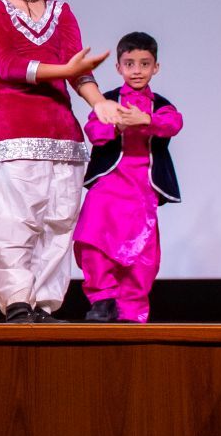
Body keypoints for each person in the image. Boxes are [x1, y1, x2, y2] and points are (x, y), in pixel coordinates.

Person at [0, 0, 123, 323]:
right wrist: (66, 70)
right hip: (15, 131)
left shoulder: (62, 11)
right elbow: (7, 64)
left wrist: (99, 103)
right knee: (12, 220)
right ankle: (17, 303)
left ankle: (43, 306)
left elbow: (78, 70)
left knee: (58, 223)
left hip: (61, 132)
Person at [72, 31, 183, 324]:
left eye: (144, 64)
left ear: (155, 67)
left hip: (142, 188)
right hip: (108, 184)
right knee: (93, 237)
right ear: (119, 67)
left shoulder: (160, 105)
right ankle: (102, 300)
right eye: (130, 64)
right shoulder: (107, 101)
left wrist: (145, 119)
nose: (137, 71)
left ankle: (131, 310)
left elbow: (174, 123)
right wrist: (117, 125)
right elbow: (94, 131)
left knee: (140, 250)